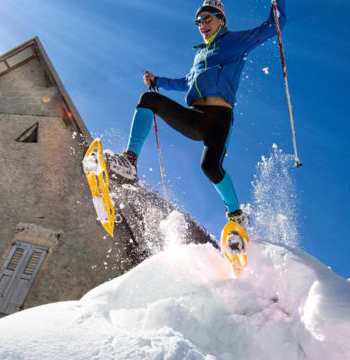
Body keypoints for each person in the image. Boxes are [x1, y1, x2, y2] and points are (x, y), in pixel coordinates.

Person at [105, 0, 286, 230]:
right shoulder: (199, 56)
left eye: (208, 18)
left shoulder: (235, 42)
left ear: (221, 20)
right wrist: (157, 81)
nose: (202, 25)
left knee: (210, 167)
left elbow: (273, 25)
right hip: (195, 116)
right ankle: (129, 162)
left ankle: (236, 214)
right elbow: (185, 83)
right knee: (148, 99)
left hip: (219, 118)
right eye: (199, 21)